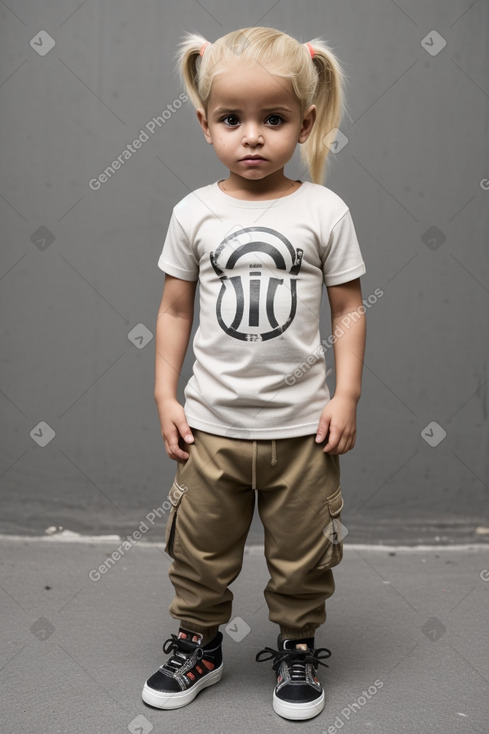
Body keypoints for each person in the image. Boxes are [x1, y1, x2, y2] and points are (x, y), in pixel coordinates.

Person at [142, 26, 366, 721]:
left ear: (303, 121)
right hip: (211, 427)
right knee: (200, 551)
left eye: (273, 120)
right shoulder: (194, 212)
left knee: (301, 555)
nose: (252, 137)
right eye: (232, 120)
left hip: (302, 432)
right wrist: (164, 392)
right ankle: (198, 643)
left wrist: (345, 394)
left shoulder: (323, 210)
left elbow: (348, 309)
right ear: (204, 122)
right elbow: (175, 309)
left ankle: (297, 646)